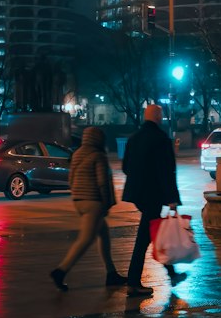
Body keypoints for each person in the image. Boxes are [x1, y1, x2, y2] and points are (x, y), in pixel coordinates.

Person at [50, 127, 125, 292]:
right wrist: (106, 204)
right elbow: (102, 182)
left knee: (103, 236)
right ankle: (61, 271)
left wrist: (77, 195)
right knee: (86, 239)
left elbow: (71, 178)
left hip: (80, 201)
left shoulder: (76, 154)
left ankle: (111, 273)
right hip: (94, 202)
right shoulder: (98, 156)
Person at [121, 104, 185, 298]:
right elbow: (165, 171)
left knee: (153, 233)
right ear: (158, 117)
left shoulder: (134, 139)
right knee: (145, 238)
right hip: (154, 195)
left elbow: (125, 167)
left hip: (139, 195)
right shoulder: (160, 139)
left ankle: (171, 273)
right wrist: (172, 198)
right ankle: (133, 282)